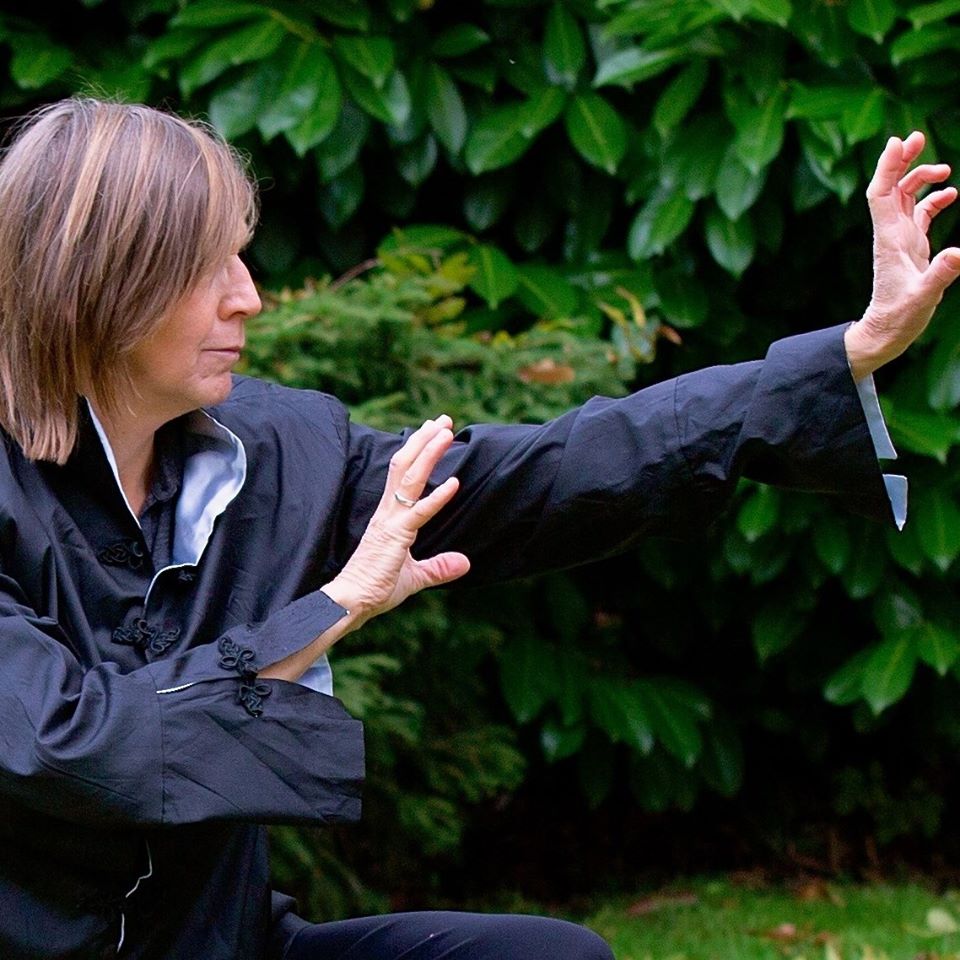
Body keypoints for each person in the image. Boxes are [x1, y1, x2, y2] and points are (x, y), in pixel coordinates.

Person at [0, 97, 954, 960]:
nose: (247, 295)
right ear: (99, 284)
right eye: (206, 267)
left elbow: (543, 476)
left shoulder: (277, 448)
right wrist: (333, 607)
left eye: (239, 256)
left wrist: (846, 353)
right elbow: (73, 746)